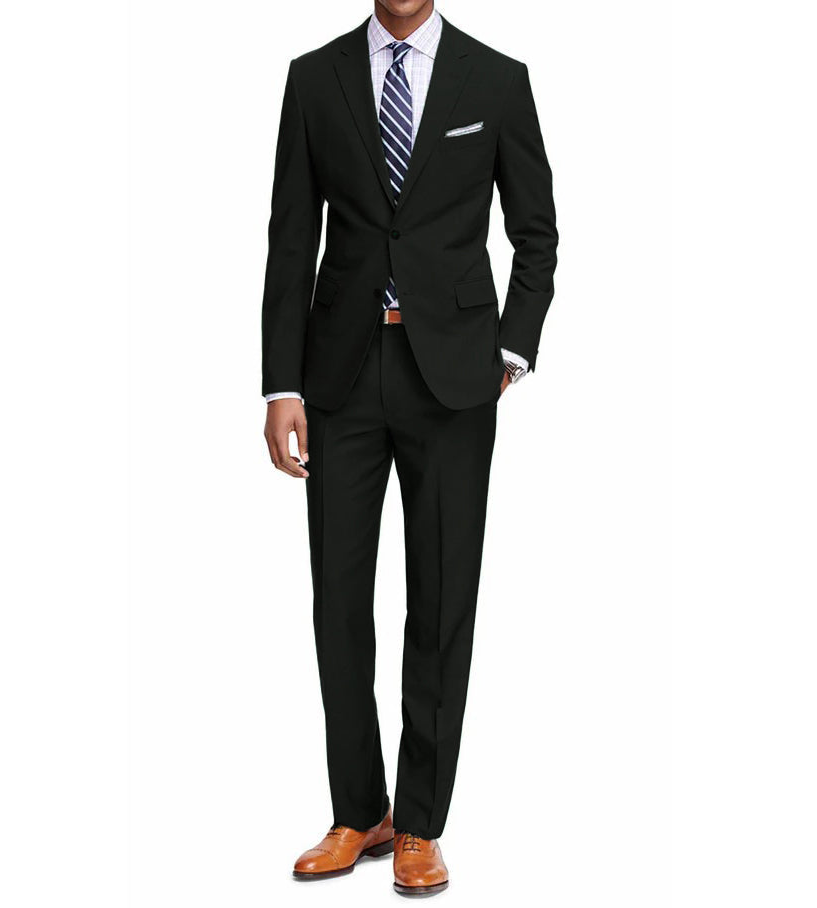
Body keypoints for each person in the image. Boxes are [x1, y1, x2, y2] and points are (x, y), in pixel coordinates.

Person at [261, 0, 557, 895]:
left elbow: (536, 232)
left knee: (441, 600)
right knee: (338, 602)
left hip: (456, 379)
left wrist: (513, 347)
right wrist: (280, 386)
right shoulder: (314, 78)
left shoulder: (496, 80)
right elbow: (290, 236)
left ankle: (421, 823)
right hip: (340, 376)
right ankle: (360, 812)